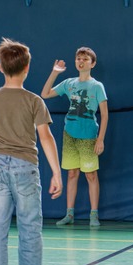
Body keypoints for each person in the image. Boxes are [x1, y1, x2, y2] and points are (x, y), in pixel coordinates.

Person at [0, 38, 63, 265]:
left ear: (0, 67)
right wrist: (57, 172)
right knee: (29, 226)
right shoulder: (34, 101)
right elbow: (46, 137)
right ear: (27, 68)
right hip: (26, 167)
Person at [40, 47, 108, 227]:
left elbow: (105, 114)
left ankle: (94, 214)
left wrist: (100, 139)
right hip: (69, 134)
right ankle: (69, 214)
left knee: (91, 175)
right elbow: (45, 94)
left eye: (85, 59)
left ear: (92, 63)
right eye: (78, 58)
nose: (81, 61)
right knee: (72, 173)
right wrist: (55, 73)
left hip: (88, 136)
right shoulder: (69, 83)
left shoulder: (97, 86)